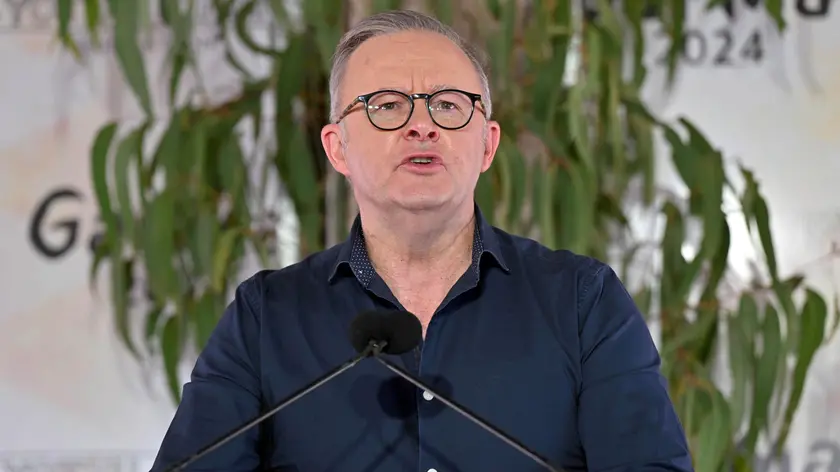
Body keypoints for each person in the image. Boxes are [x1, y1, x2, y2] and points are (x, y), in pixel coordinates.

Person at [151, 9, 693, 472]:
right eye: (387, 105)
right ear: (337, 148)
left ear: (487, 144)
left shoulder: (583, 302)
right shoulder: (266, 316)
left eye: (449, 104)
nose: (422, 126)